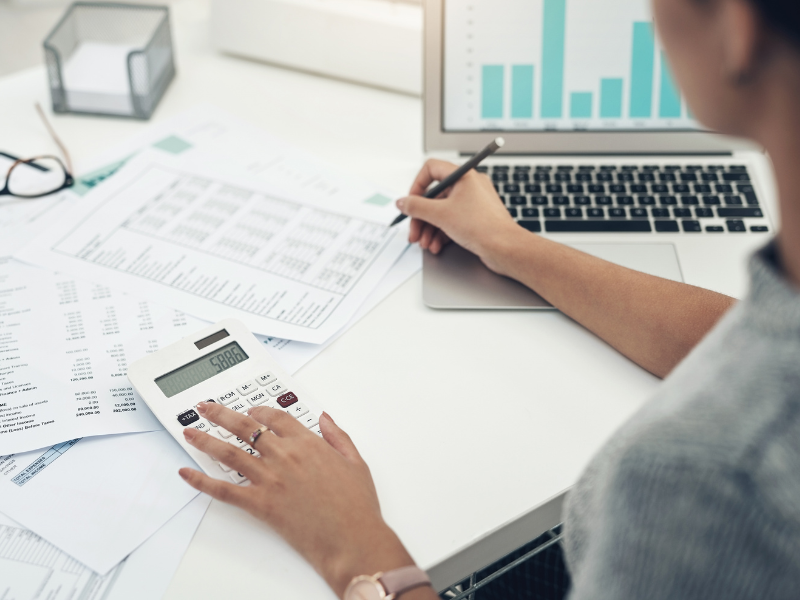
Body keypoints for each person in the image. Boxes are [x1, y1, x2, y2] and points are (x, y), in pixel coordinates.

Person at [177, 0, 800, 597]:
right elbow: (737, 337)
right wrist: (510, 246)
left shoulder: (707, 481)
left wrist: (355, 549)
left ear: (737, 28)